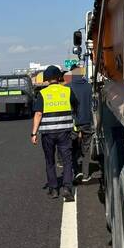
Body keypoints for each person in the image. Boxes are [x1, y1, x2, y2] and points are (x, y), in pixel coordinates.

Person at [31, 65, 78, 202]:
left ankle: (53, 189)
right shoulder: (67, 91)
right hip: (65, 132)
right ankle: (67, 188)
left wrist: (33, 133)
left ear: (46, 79)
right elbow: (75, 107)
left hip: (48, 133)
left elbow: (38, 114)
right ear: (59, 77)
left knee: (50, 160)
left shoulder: (42, 94)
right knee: (67, 160)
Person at [64, 65, 93, 183]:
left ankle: (76, 171)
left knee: (71, 147)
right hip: (87, 121)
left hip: (73, 122)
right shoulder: (89, 87)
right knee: (86, 148)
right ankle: (86, 175)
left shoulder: (67, 88)